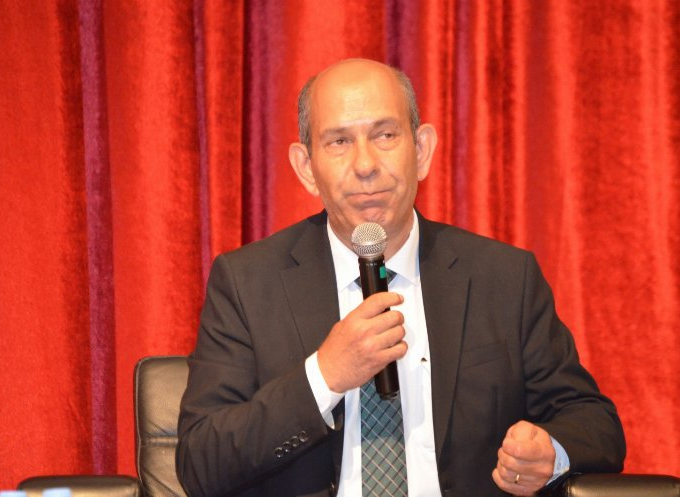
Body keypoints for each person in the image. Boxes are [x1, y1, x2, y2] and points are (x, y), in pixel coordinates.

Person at [176, 58, 625, 497]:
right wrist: (324, 376)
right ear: (307, 168)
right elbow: (200, 464)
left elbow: (595, 424)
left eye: (385, 135)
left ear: (421, 150)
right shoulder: (247, 283)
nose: (366, 164)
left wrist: (550, 452)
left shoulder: (504, 277)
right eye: (339, 142)